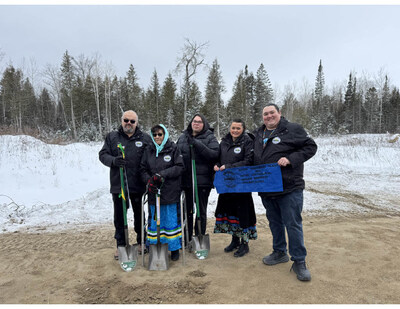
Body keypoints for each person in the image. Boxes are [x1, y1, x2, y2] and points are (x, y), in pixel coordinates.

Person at [253, 103, 317, 282]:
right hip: (267, 188)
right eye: (265, 114)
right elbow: (253, 158)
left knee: (293, 224)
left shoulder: (292, 129)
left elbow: (311, 147)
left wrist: (290, 159)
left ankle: (299, 261)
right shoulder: (258, 134)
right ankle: (279, 251)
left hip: (289, 187)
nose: (268, 116)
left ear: (279, 113)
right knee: (275, 222)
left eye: (272, 112)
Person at [99, 110, 152, 260]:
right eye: (126, 120)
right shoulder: (112, 137)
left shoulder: (145, 138)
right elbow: (102, 155)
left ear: (136, 123)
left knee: (139, 215)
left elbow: (151, 157)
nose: (129, 123)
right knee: (119, 216)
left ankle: (142, 241)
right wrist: (113, 161)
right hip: (119, 184)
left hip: (137, 184)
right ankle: (121, 245)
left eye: (132, 121)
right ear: (122, 121)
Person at [213, 119, 257, 257]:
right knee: (230, 212)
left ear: (243, 129)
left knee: (242, 215)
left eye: (238, 128)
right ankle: (234, 240)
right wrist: (216, 164)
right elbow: (218, 157)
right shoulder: (224, 141)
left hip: (242, 185)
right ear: (230, 128)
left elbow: (249, 161)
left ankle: (245, 244)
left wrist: (229, 167)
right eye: (233, 128)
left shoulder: (248, 141)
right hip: (227, 185)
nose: (235, 130)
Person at [140, 124, 184, 261]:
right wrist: (149, 181)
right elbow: (142, 169)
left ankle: (174, 248)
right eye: (155, 135)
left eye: (160, 134)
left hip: (170, 191)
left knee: (170, 221)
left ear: (165, 135)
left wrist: (163, 174)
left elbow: (180, 167)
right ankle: (155, 246)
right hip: (154, 192)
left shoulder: (173, 148)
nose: (157, 137)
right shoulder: (148, 150)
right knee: (155, 221)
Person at [176, 114, 219, 246]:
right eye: (194, 121)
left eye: (200, 122)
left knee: (201, 211)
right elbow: (176, 154)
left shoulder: (210, 137)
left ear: (204, 124)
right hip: (186, 181)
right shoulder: (183, 137)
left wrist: (197, 145)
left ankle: (199, 235)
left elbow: (214, 155)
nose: (196, 124)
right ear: (191, 123)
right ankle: (187, 237)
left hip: (202, 181)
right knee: (187, 211)